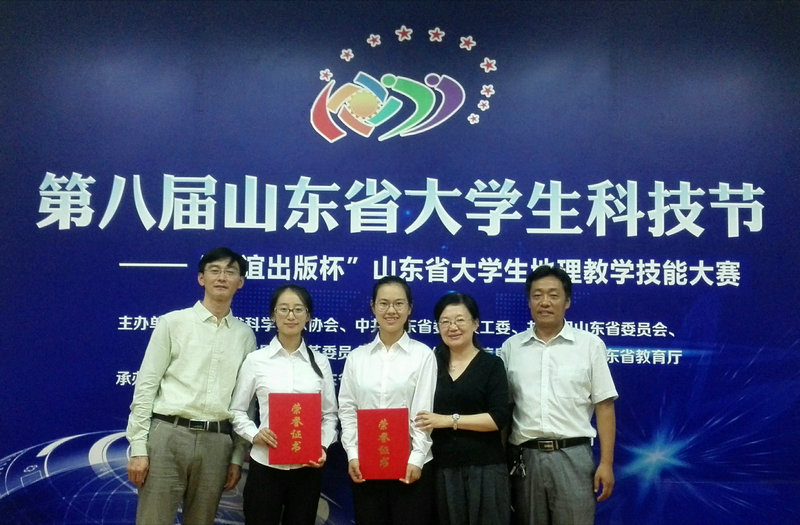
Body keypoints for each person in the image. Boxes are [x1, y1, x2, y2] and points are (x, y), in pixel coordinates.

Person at [126, 247, 257, 525]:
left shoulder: (245, 335)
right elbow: (146, 386)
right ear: (201, 278)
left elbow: (245, 402)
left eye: (230, 272)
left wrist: (236, 456)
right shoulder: (172, 323)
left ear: (240, 282)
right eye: (214, 270)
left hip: (216, 442)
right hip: (168, 435)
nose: (222, 277)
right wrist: (138, 447)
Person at [501, 265, 618, 525]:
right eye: (537, 295)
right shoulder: (511, 348)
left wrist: (606, 463)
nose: (545, 302)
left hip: (573, 456)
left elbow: (605, 406)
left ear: (567, 302)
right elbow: (505, 410)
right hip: (525, 459)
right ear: (529, 302)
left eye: (553, 295)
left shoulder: (589, 345)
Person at [229, 284, 338, 525]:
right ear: (273, 315)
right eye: (284, 309)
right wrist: (255, 434)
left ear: (308, 317)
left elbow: (330, 415)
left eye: (298, 309)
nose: (291, 316)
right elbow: (237, 410)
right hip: (265, 464)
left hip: (307, 468)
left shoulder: (320, 362)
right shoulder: (256, 361)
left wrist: (321, 445)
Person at [338, 275, 437, 525]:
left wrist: (416, 458)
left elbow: (423, 413)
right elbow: (347, 410)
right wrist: (352, 454)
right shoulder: (357, 358)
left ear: (409, 308)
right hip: (366, 465)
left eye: (399, 303)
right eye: (383, 303)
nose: (391, 310)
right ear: (373, 307)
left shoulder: (423, 355)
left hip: (410, 467)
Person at [415, 292, 511, 525]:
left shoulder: (491, 365)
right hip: (442, 468)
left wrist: (449, 420)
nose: (453, 327)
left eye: (460, 320)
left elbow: (499, 418)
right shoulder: (430, 365)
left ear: (475, 323)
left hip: (486, 468)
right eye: (445, 321)